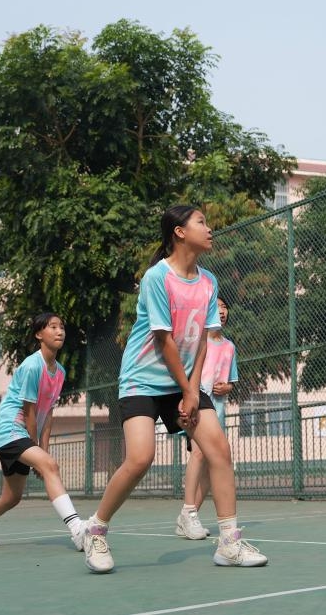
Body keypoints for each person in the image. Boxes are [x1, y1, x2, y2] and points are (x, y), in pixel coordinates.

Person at [82, 205, 267, 573]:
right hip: (142, 380)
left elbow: (202, 341)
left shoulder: (209, 281)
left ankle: (229, 543)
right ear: (179, 232)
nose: (210, 228)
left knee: (219, 451)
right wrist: (188, 389)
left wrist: (193, 389)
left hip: (184, 382)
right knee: (140, 458)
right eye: (202, 222)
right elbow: (163, 340)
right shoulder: (157, 277)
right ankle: (96, 529)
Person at [0, 313, 85, 551]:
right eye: (52, 327)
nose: (59, 331)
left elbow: (48, 413)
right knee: (50, 465)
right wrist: (40, 457)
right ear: (38, 334)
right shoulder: (33, 366)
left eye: (62, 327)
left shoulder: (60, 372)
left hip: (22, 434)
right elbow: (30, 412)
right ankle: (77, 530)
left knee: (11, 498)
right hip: (11, 429)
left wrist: (43, 451)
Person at [175, 294, 239, 540]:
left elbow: (230, 381)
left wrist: (227, 388)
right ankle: (189, 513)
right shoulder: (196, 342)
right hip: (195, 406)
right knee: (200, 454)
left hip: (217, 411)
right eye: (217, 307)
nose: (222, 311)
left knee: (212, 463)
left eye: (225, 307)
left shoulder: (229, 346)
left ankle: (188, 516)